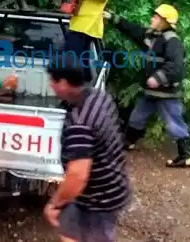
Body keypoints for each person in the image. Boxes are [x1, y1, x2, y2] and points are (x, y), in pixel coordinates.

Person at [43, 54, 131, 242]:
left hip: (100, 200)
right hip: (104, 187)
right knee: (67, 233)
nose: (50, 84)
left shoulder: (80, 123)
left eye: (53, 80)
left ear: (64, 83)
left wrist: (54, 203)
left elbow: (77, 176)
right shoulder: (100, 97)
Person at [103, 4, 190, 168]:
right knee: (137, 117)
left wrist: (158, 78)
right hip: (152, 92)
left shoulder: (171, 41)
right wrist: (113, 18)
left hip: (166, 93)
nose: (153, 18)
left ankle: (186, 156)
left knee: (174, 122)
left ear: (165, 22)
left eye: (156, 17)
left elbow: (176, 67)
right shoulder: (152, 36)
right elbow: (133, 30)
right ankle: (128, 142)